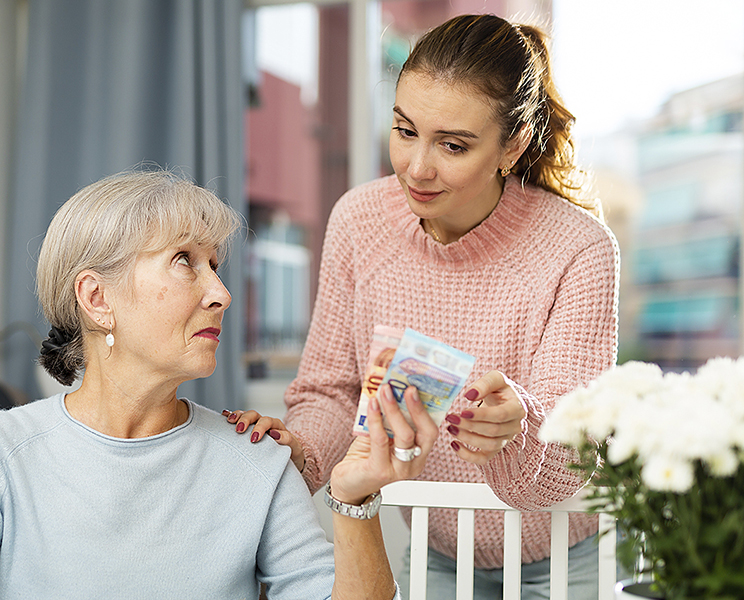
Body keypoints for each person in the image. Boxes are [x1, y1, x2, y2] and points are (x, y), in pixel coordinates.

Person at [0, 169, 440, 600]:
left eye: (216, 265)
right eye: (185, 261)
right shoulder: (0, 451)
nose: (221, 293)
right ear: (97, 299)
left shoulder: (257, 460)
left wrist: (354, 497)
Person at [228, 13, 620, 600]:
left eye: (453, 145)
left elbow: (573, 452)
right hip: (438, 553)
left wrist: (518, 427)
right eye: (405, 130)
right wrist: (299, 452)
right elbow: (332, 392)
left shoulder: (578, 248)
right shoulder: (358, 222)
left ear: (511, 146)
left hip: (560, 556)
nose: (415, 167)